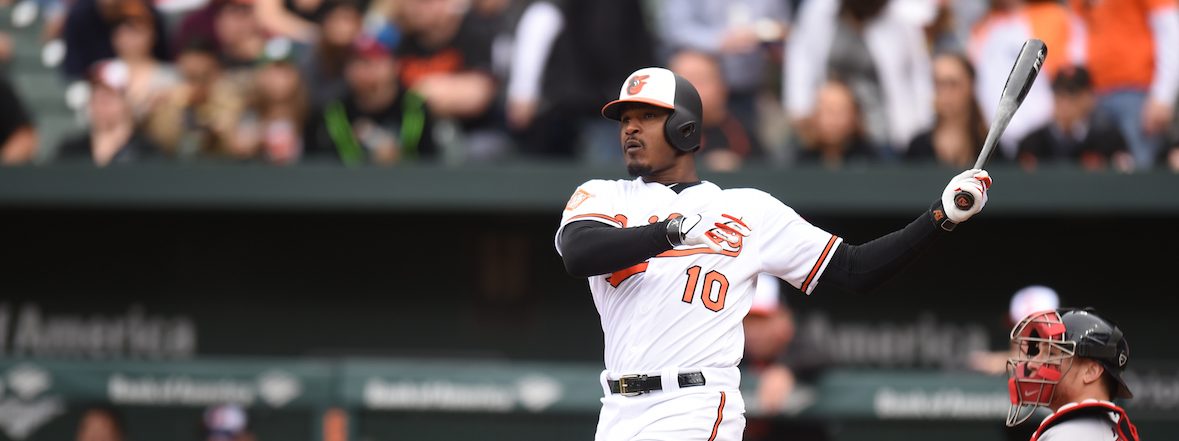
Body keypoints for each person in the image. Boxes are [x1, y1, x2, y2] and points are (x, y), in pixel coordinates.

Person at [555, 67, 992, 441]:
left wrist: (939, 217)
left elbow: (854, 269)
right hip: (616, 408)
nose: (630, 127)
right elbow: (579, 253)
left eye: (647, 116)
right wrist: (669, 232)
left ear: (684, 127)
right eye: (625, 118)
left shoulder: (747, 208)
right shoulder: (602, 195)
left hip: (694, 403)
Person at [1071, 0, 1179, 170]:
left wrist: (1163, 96)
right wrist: (1078, 90)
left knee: (1142, 172)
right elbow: (1078, 36)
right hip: (1095, 96)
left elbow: (1170, 32)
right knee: (1097, 173)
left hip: (1138, 93)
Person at [1005, 308, 1139, 441]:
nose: (1031, 363)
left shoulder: (1071, 434)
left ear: (1091, 371)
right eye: (1038, 353)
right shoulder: (1104, 428)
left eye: (1051, 353)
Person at [1016, 66, 1133, 172]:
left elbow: (1125, 178)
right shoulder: (1032, 143)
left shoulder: (1109, 140)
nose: (1064, 103)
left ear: (1089, 98)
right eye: (1059, 94)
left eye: (1072, 94)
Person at [906, 52, 987, 168]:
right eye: (938, 84)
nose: (945, 93)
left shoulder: (987, 146)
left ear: (971, 86)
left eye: (952, 84)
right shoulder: (918, 147)